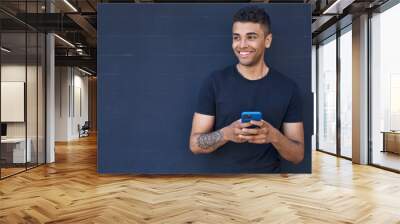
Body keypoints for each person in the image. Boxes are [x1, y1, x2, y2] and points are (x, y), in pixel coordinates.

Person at [189, 6, 304, 173]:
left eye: (251, 37)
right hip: (222, 184)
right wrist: (226, 134)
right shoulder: (214, 82)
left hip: (268, 184)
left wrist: (273, 136)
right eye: (237, 37)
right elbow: (194, 144)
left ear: (267, 40)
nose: (242, 45)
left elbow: (298, 155)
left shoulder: (288, 88)